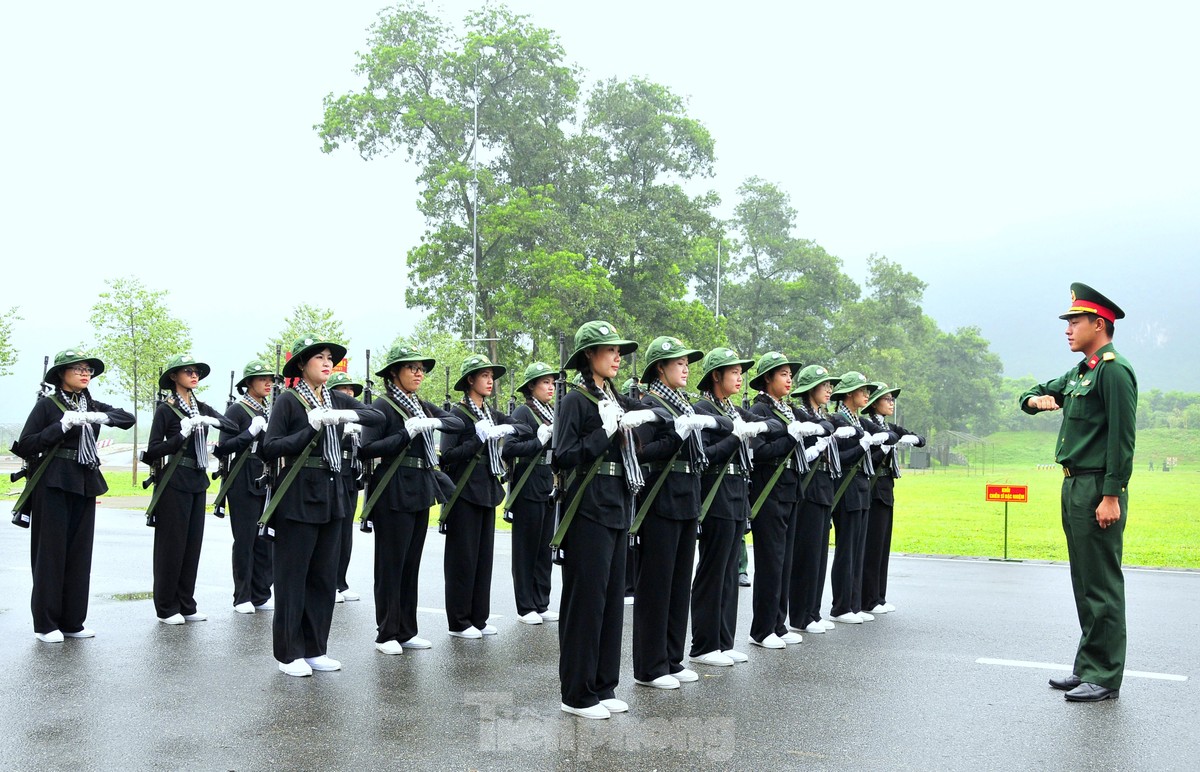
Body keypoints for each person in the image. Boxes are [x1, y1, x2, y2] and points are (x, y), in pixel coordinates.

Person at [1020, 282, 1136, 703]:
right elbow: (1031, 392)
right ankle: (1088, 666)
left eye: (1075, 321)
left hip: (1096, 487)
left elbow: (1122, 440)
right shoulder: (1081, 372)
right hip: (1072, 484)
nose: (1068, 329)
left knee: (1102, 582)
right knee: (1084, 581)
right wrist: (1036, 402)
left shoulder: (1113, 370)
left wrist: (1112, 495)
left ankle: (1105, 675)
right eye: (1067, 321)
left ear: (1099, 324)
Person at [261, 336, 383, 677]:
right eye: (319, 357)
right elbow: (269, 448)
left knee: (322, 576)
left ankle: (315, 648)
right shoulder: (288, 401)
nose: (327, 363)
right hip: (298, 494)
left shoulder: (335, 397)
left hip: (332, 494)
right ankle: (289, 653)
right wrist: (312, 427)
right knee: (292, 577)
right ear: (302, 365)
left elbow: (376, 415)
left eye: (331, 358)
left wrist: (342, 413)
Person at [555, 320, 653, 719]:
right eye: (609, 350)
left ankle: (603, 684)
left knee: (612, 600)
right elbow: (562, 455)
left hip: (615, 504)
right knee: (586, 602)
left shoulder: (615, 398)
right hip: (587, 507)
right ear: (588, 356)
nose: (617, 357)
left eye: (618, 351)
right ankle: (576, 693)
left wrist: (630, 423)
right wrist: (605, 431)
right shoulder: (575, 401)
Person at [631, 336, 732, 688]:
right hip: (660, 499)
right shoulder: (650, 403)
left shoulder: (684, 406)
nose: (686, 368)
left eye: (687, 363)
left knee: (677, 584)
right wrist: (675, 436)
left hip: (687, 496)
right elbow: (641, 451)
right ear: (660, 368)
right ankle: (649, 665)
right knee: (656, 585)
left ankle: (672, 658)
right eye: (679, 363)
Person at [15, 349, 135, 642]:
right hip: (54, 481)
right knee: (51, 554)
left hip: (84, 480)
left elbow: (127, 418)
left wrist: (99, 416)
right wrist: (62, 425)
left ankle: (72, 621)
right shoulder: (48, 405)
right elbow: (27, 444)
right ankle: (46, 624)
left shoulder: (90, 403)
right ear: (61, 375)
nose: (85, 373)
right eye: (78, 369)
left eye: (88, 370)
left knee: (80, 554)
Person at [359, 344, 464, 655]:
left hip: (419, 488)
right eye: (411, 368)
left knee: (410, 564)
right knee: (390, 565)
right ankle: (386, 632)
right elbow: (368, 448)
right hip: (392, 490)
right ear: (394, 373)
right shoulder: (383, 406)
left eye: (421, 368)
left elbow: (458, 423)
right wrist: (405, 434)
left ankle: (406, 629)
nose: (419, 373)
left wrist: (433, 423)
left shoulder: (421, 405)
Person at [689, 347, 775, 666]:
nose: (740, 378)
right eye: (734, 372)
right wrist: (735, 438)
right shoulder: (702, 408)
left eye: (741, 372)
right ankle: (703, 644)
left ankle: (724, 641)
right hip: (716, 491)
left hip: (738, 490)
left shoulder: (733, 409)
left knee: (729, 569)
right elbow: (706, 456)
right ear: (716, 376)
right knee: (713, 569)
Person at [439, 354, 531, 639]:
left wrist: (508, 428)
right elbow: (448, 457)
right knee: (462, 560)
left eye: (492, 376)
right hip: (464, 493)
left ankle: (479, 617)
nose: (490, 381)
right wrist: (476, 440)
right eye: (485, 376)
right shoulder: (457, 415)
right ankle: (459, 621)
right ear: (470, 380)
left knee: (483, 559)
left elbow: (526, 427)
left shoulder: (490, 414)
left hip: (488, 490)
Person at [143, 353, 238, 625]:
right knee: (171, 547)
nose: (194, 375)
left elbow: (231, 424)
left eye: (196, 371)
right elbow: (153, 451)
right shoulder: (166, 409)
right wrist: (180, 435)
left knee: (191, 545)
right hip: (174, 480)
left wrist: (210, 422)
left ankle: (186, 603)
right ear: (174, 377)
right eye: (187, 371)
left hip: (197, 479)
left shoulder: (202, 407)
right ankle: (166, 606)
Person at [745, 352, 822, 649]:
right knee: (771, 562)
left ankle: (779, 622)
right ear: (768, 379)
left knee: (785, 561)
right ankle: (762, 628)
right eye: (783, 374)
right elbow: (760, 452)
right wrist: (791, 437)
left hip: (790, 488)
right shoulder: (761, 410)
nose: (789, 379)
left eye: (790, 374)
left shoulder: (787, 409)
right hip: (769, 490)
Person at [214, 360, 276, 614]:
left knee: (265, 540)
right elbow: (223, 447)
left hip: (267, 477)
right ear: (248, 383)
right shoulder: (237, 411)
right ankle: (242, 595)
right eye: (261, 379)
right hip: (242, 477)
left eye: (269, 379)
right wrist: (249, 433)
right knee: (245, 539)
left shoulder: (270, 409)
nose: (267, 383)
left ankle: (262, 592)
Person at [858, 383, 924, 616]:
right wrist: (888, 443)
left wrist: (912, 440)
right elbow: (871, 456)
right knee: (872, 546)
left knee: (883, 546)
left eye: (891, 399)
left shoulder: (887, 426)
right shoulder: (868, 424)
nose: (891, 403)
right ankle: (868, 598)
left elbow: (918, 437)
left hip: (886, 487)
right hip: (873, 487)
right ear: (874, 403)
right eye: (886, 399)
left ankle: (879, 596)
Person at [827, 372, 887, 624]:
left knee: (858, 548)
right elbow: (839, 458)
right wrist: (862, 447)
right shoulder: (839, 419)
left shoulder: (858, 420)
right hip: (846, 488)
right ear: (849, 393)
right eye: (862, 390)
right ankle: (841, 606)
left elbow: (889, 434)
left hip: (861, 486)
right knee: (847, 548)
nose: (866, 394)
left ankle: (853, 603)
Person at [503, 361, 560, 626]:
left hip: (547, 484)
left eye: (551, 382)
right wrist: (538, 441)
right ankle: (525, 606)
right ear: (531, 387)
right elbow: (509, 449)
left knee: (543, 548)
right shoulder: (524, 413)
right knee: (526, 549)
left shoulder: (552, 412)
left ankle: (541, 601)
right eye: (545, 382)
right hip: (527, 486)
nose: (550, 387)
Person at [786, 365, 839, 635]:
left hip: (823, 486)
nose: (829, 390)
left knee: (818, 554)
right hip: (808, 486)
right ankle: (800, 615)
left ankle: (813, 611)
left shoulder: (822, 415)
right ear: (810, 390)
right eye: (824, 385)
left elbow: (828, 426)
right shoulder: (799, 413)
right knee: (805, 555)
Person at [327, 371, 365, 603]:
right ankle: (328, 582)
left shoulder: (356, 418)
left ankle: (341, 581)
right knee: (332, 532)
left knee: (346, 533)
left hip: (350, 474)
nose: (349, 393)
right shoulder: (330, 414)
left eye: (351, 390)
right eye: (344, 389)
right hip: (334, 472)